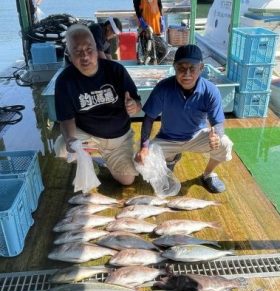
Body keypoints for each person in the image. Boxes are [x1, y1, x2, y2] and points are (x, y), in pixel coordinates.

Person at [135, 44, 233, 193]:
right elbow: (149, 118)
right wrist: (144, 147)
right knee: (141, 160)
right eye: (181, 68)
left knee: (224, 143)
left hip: (196, 136)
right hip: (168, 138)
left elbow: (217, 123)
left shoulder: (211, 91)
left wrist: (217, 136)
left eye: (192, 68)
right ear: (174, 67)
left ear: (201, 67)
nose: (186, 74)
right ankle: (171, 159)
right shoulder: (163, 88)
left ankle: (208, 174)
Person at [54, 24, 142, 186]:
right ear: (70, 55)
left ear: (97, 47)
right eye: (78, 52)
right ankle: (91, 155)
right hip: (89, 135)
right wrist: (70, 139)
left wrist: (133, 106)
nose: (85, 56)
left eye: (89, 49)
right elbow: (66, 119)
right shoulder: (64, 81)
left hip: (119, 139)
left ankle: (104, 159)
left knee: (127, 180)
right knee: (61, 147)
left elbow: (138, 103)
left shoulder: (116, 70)